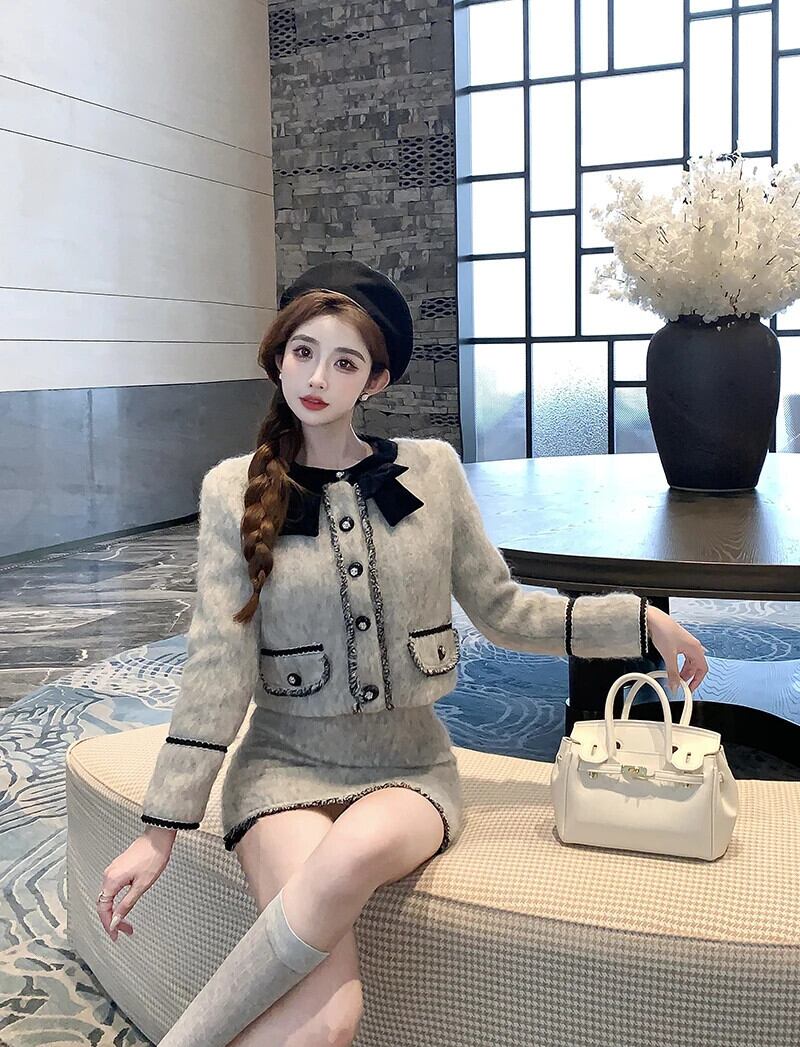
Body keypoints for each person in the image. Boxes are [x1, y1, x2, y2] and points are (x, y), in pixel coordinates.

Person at [95, 259, 708, 1046]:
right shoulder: (230, 489)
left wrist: (639, 621)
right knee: (332, 1016)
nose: (318, 377)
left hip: (409, 769)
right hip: (280, 770)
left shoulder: (433, 471)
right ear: (279, 358)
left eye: (345, 361)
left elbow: (503, 609)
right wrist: (160, 829)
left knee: (351, 851)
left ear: (375, 380)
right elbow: (218, 663)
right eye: (303, 352)